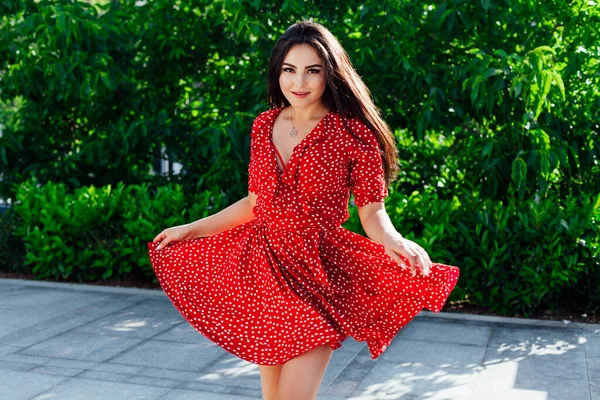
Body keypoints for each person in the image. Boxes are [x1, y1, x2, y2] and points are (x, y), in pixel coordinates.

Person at [148, 20, 460, 400]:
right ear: (277, 71)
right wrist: (191, 229)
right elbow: (255, 203)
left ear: (331, 74)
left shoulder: (353, 133)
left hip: (316, 273)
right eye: (289, 70)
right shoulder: (264, 125)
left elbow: (371, 211)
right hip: (264, 272)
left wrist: (392, 239)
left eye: (313, 70)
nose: (300, 82)